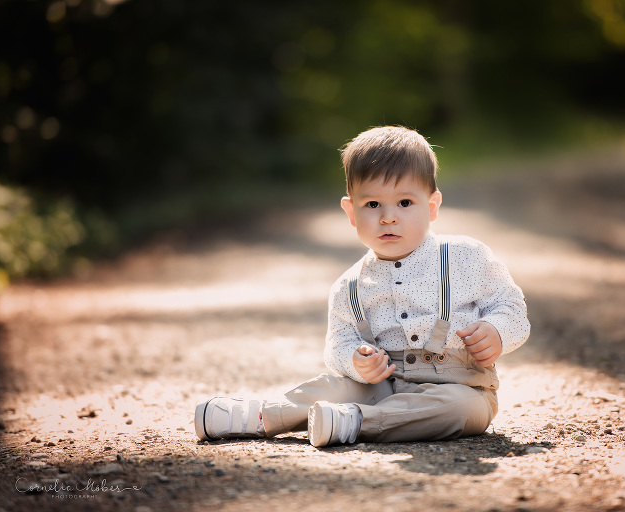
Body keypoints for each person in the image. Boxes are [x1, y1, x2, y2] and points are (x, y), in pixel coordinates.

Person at [194, 126, 530, 447]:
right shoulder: (349, 287)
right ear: (351, 212)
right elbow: (337, 344)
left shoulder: (465, 257)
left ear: (431, 207)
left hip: (462, 387)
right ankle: (257, 417)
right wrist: (355, 361)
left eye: (404, 203)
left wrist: (497, 330)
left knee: (463, 410)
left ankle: (354, 422)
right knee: (333, 387)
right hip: (383, 387)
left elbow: (511, 306)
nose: (388, 217)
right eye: (372, 205)